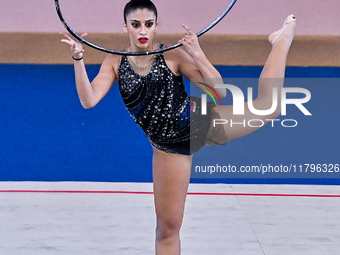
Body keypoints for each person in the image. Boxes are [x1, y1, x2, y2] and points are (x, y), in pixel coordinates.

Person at [60, 0, 296, 254]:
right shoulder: (115, 61)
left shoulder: (171, 54)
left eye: (149, 25)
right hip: (166, 148)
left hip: (198, 124)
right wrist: (78, 59)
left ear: (156, 26)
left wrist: (196, 51)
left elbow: (219, 90)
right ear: (125, 26)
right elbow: (89, 99)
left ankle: (281, 41)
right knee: (166, 230)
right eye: (136, 25)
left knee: (269, 106)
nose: (142, 31)